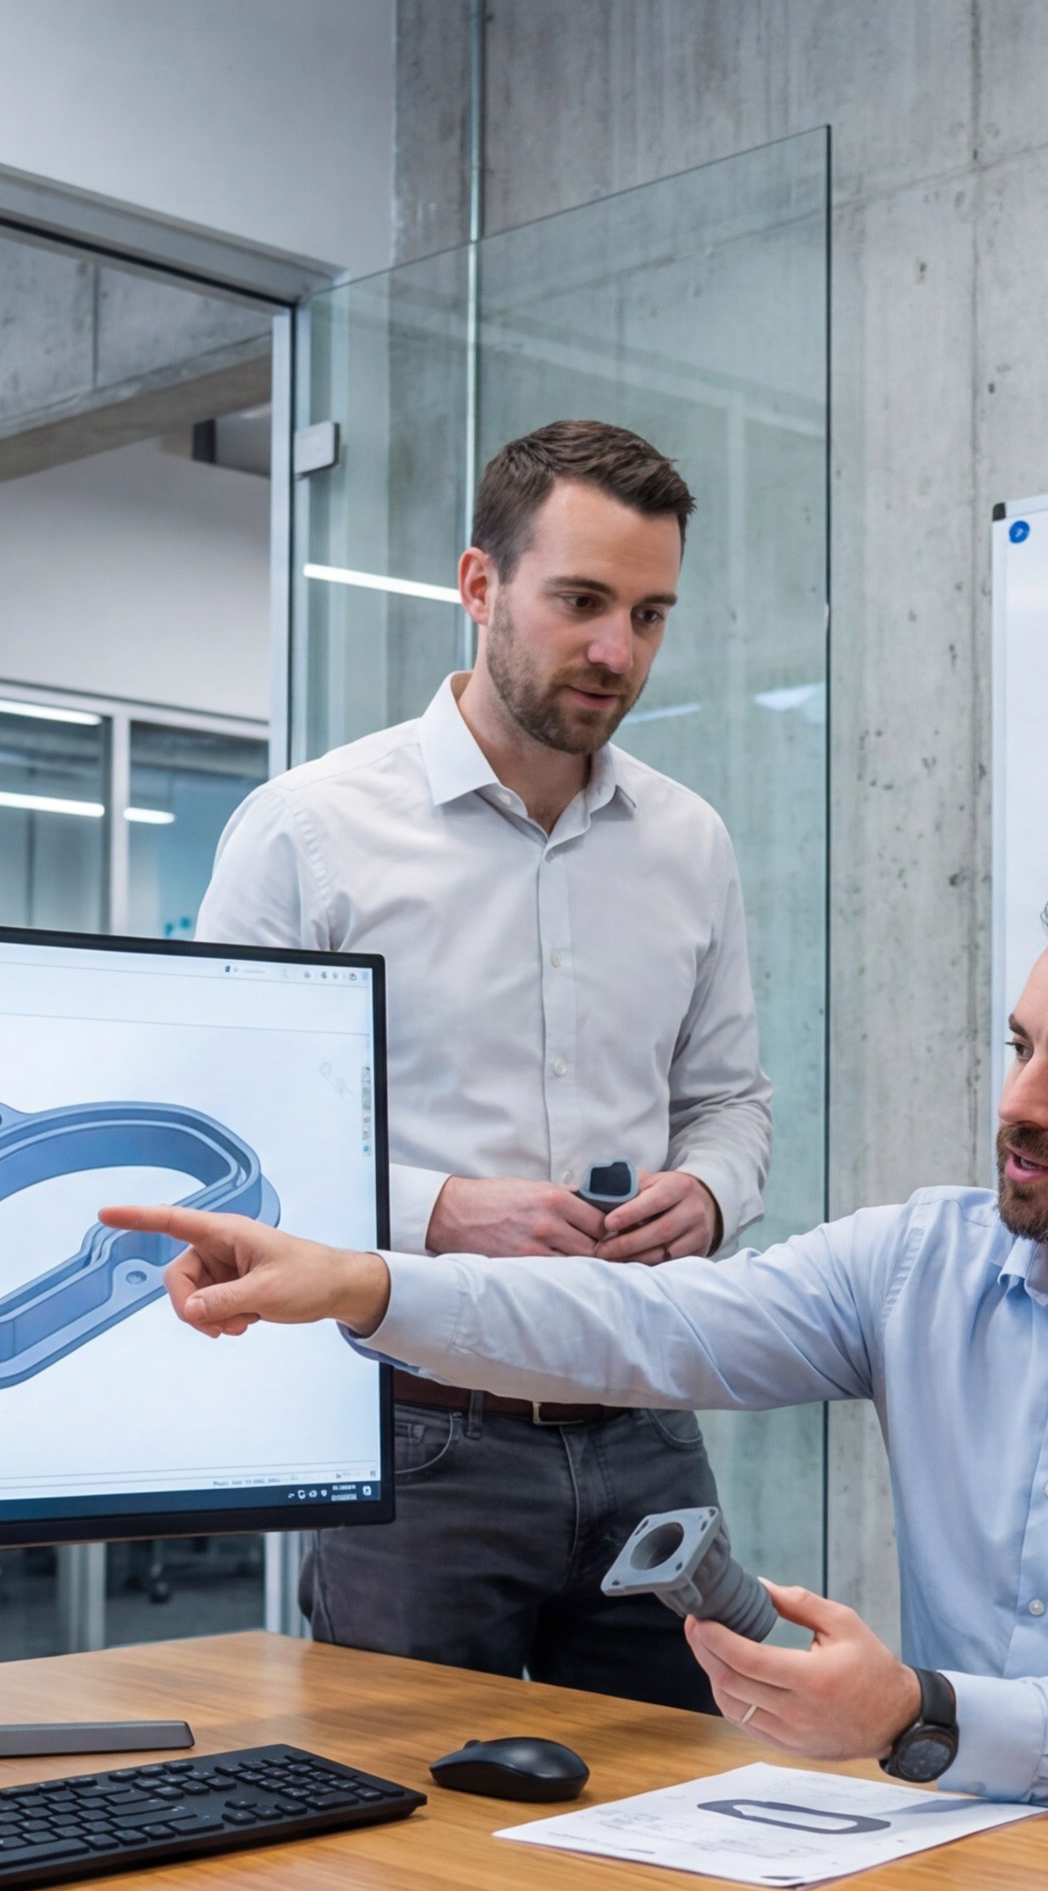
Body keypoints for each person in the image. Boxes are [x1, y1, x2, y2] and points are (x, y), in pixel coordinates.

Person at [110, 876, 1048, 1804]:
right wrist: (361, 1281)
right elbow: (643, 1325)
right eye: (1021, 1048)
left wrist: (919, 1713)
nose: (1018, 1103)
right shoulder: (925, 1260)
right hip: (947, 1840)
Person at [197, 418, 769, 1710]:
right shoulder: (310, 831)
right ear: (478, 586)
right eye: (580, 601)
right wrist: (443, 1212)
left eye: (650, 612)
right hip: (418, 1432)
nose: (616, 650)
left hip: (644, 1406)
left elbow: (729, 1099)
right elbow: (225, 1138)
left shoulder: (690, 842)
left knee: (669, 1845)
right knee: (399, 1871)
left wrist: (717, 1192)